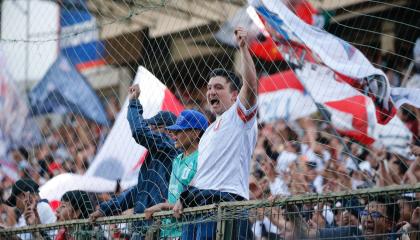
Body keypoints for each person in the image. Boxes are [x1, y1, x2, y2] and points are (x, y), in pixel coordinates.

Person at [173, 27, 258, 239]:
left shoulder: (240, 117)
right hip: (199, 205)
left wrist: (243, 49)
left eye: (218, 87)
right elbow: (202, 174)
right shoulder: (209, 131)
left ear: (234, 95)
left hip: (226, 203)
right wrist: (182, 199)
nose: (211, 91)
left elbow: (252, 87)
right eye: (209, 87)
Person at [90, 84, 179, 237]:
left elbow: (139, 131)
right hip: (144, 227)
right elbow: (139, 191)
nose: (150, 131)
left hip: (158, 227)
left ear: (168, 130)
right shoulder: (155, 156)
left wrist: (133, 103)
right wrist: (105, 209)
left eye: (154, 127)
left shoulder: (168, 146)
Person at [144, 109, 208, 239]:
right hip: (167, 232)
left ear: (196, 133)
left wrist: (162, 207)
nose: (174, 134)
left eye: (179, 130)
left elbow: (196, 203)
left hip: (187, 232)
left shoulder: (202, 158)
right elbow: (174, 196)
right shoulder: (177, 159)